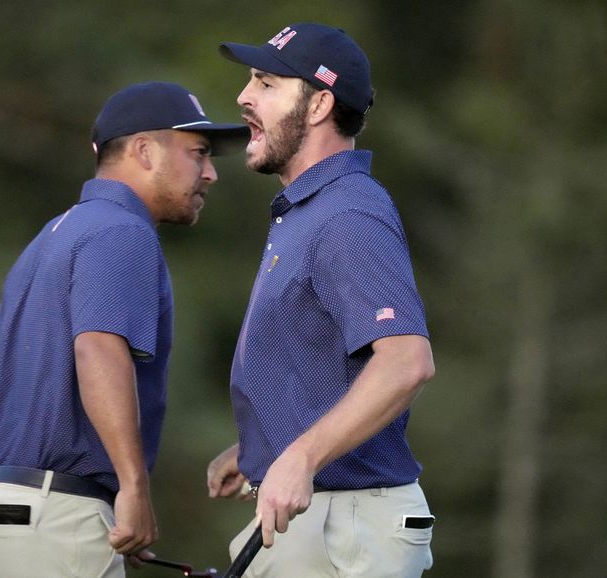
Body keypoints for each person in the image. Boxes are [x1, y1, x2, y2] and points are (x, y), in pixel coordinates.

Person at [0, 81, 249, 578]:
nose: (210, 173)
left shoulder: (54, 234)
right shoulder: (124, 230)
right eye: (198, 153)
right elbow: (98, 353)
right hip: (49, 519)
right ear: (143, 150)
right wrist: (133, 493)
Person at [206, 23, 436, 578]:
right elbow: (323, 362)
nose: (243, 97)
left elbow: (406, 362)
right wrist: (263, 442)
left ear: (318, 106)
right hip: (327, 520)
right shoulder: (311, 210)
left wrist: (300, 456)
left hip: (349, 525)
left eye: (265, 82)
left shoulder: (347, 214)